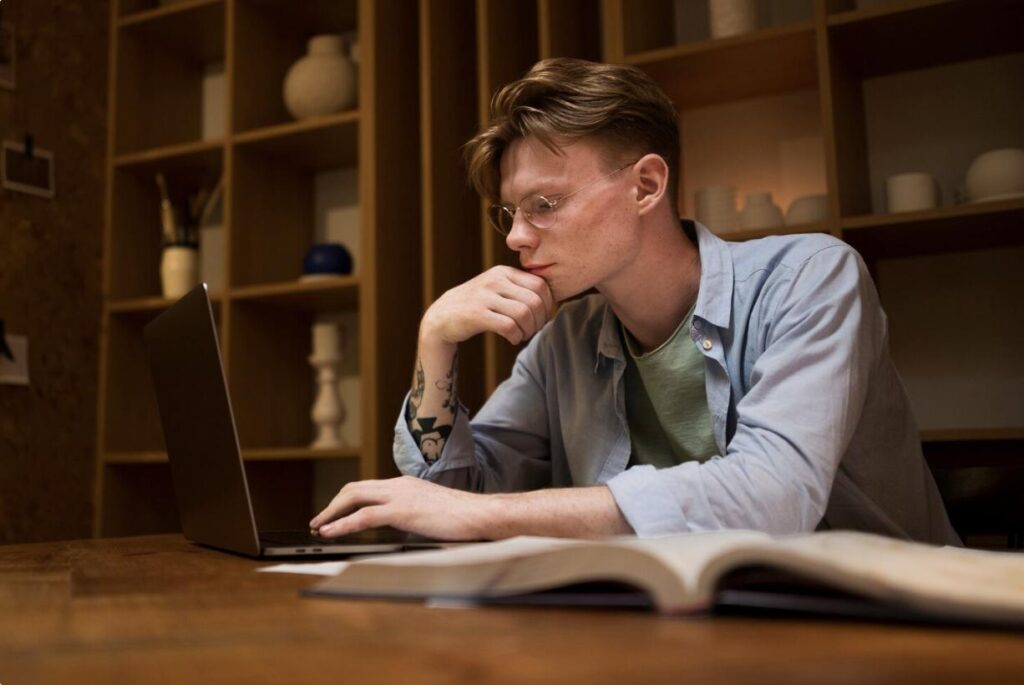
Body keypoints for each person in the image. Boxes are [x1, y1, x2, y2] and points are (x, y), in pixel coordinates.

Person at [309, 58, 960, 546]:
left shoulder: (811, 278)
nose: (514, 235)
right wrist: (436, 342)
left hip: (899, 627)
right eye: (508, 212)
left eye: (545, 204)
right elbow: (447, 504)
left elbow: (773, 496)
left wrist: (485, 515)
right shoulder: (563, 343)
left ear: (646, 185)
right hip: (690, 631)